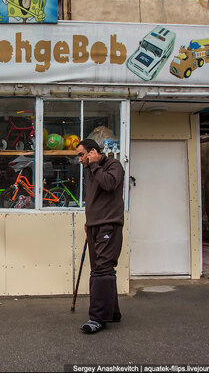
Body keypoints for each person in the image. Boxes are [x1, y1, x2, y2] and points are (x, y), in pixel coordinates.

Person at [76, 139, 125, 334]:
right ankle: (112, 312)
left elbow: (110, 184)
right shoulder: (91, 171)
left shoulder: (113, 165)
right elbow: (95, 199)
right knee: (100, 269)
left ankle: (97, 318)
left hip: (109, 225)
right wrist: (89, 222)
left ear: (92, 152)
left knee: (102, 271)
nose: (79, 159)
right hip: (96, 225)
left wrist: (95, 164)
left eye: (81, 154)